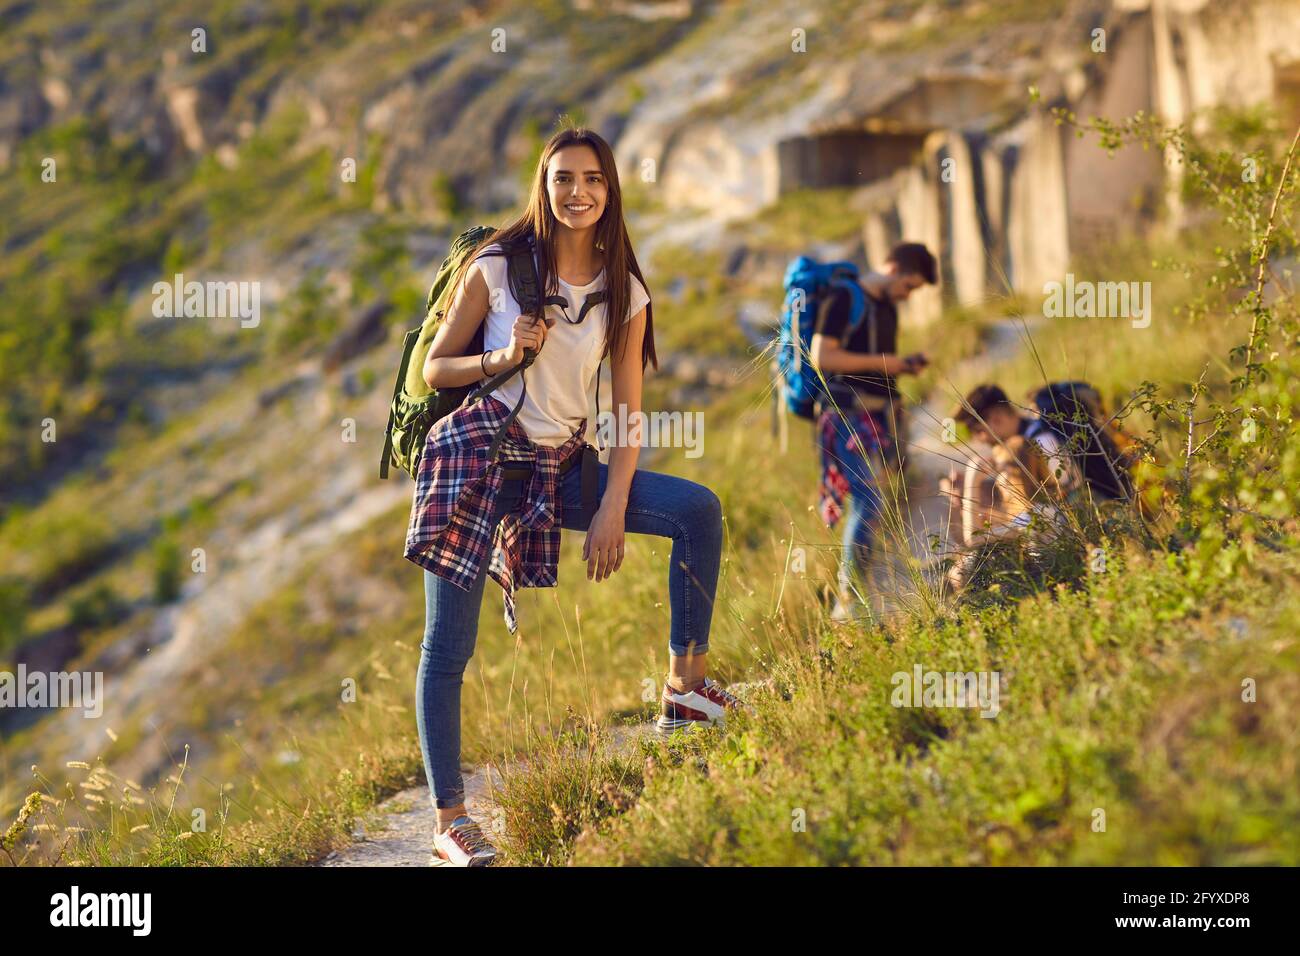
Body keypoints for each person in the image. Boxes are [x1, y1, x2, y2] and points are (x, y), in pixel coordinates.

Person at [407, 126, 738, 866]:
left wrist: (615, 503)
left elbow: (626, 411)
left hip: (561, 467)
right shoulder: (496, 266)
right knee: (448, 644)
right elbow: (436, 370)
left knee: (697, 511)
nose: (577, 192)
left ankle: (685, 690)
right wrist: (504, 353)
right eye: (563, 179)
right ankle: (450, 823)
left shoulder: (625, 287)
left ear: (610, 188)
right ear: (544, 185)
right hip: (481, 461)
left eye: (592, 179)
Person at [808, 242, 938, 621]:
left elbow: (881, 366)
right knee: (868, 501)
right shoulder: (844, 295)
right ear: (893, 267)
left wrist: (901, 372)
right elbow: (823, 356)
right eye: (909, 285)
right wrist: (888, 362)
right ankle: (848, 601)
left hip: (877, 417)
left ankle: (854, 591)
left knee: (876, 499)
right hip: (844, 413)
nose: (907, 295)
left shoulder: (886, 308)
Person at [945, 384, 1078, 587]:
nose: (978, 439)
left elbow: (1060, 497)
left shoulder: (1041, 441)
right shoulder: (1021, 444)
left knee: (965, 569)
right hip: (1041, 525)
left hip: (1056, 532)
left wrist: (973, 485)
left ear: (996, 419)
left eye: (978, 431)